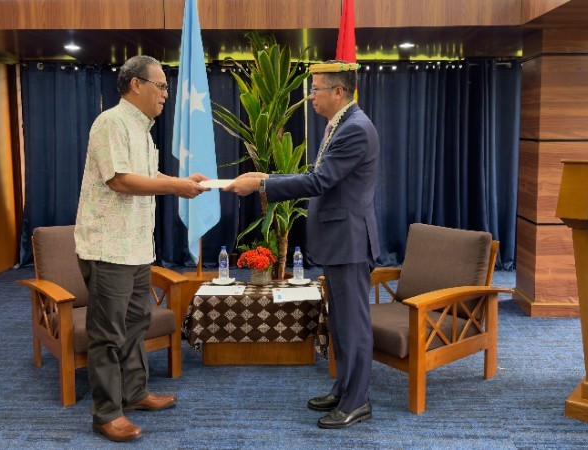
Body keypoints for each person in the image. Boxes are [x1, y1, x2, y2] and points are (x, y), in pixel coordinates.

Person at [225, 60, 380, 429]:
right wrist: (266, 175)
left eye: (315, 89)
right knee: (340, 323)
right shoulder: (341, 124)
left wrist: (262, 185)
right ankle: (344, 388)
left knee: (354, 326)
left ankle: (357, 401)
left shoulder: (355, 129)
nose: (311, 96)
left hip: (349, 242)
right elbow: (317, 174)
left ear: (338, 91)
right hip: (339, 241)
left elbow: (319, 182)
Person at [75, 55, 209, 442]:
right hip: (108, 248)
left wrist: (181, 181)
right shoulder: (111, 122)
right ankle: (106, 413)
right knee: (107, 333)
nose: (166, 93)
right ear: (136, 85)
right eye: (161, 85)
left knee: (136, 324)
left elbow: (147, 176)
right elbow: (119, 180)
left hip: (136, 246)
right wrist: (176, 187)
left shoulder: (143, 130)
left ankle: (133, 393)